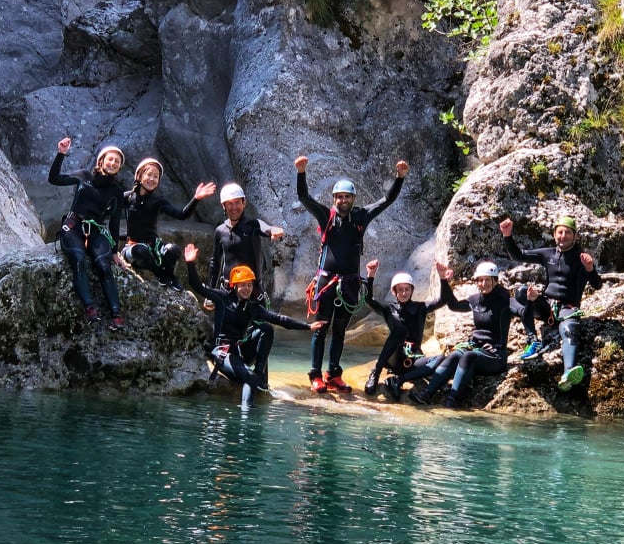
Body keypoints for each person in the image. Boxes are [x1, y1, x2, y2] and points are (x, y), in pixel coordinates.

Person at [295, 155, 407, 393]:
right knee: (320, 329)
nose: (343, 200)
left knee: (340, 331)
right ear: (334, 199)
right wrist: (301, 173)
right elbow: (304, 197)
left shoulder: (361, 217)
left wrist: (399, 177)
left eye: (346, 197)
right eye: (339, 197)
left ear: (353, 199)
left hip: (349, 284)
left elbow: (387, 200)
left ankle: (333, 374)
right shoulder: (326, 216)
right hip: (326, 281)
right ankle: (315, 374)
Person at [184, 243, 326, 407]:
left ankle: (259, 375)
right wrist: (190, 263)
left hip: (239, 350)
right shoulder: (222, 299)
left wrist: (308, 326)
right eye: (242, 285)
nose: (246, 288)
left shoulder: (253, 307)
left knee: (266, 328)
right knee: (249, 378)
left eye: (249, 285)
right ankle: (247, 423)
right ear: (234, 286)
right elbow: (197, 286)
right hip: (222, 352)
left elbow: (279, 319)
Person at [500, 215, 602, 391]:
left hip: (567, 309)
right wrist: (507, 235)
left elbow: (597, 285)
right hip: (546, 307)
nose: (563, 236)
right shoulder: (548, 254)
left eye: (568, 232)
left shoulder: (582, 258)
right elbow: (518, 255)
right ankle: (533, 341)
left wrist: (590, 269)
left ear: (574, 236)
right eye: (560, 232)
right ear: (554, 235)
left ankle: (568, 373)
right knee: (522, 292)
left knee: (569, 330)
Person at [49, 137, 127, 330]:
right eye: (110, 159)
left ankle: (116, 315)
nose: (113, 163)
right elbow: (54, 179)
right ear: (101, 161)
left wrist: (115, 251)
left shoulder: (116, 190)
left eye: (117, 162)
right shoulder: (84, 175)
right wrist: (61, 154)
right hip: (74, 226)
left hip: (96, 231)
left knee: (104, 265)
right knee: (78, 258)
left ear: (119, 168)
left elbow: (115, 222)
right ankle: (90, 309)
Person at [410, 261, 511, 408]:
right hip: (477, 348)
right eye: (480, 280)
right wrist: (444, 280)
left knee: (467, 356)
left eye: (488, 280)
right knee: (455, 355)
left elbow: (520, 308)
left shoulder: (504, 299)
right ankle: (427, 393)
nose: (484, 283)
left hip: (495, 355)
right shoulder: (476, 299)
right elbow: (453, 305)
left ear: (495, 281)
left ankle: (452, 400)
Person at [363, 259, 455, 400]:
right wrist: (370, 275)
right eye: (400, 290)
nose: (404, 293)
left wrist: (443, 278)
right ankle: (376, 371)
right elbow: (369, 300)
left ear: (412, 290)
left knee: (441, 358)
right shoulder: (389, 309)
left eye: (407, 289)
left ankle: (400, 379)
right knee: (400, 331)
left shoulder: (420, 308)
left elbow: (444, 299)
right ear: (394, 292)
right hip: (394, 358)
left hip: (412, 358)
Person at [122, 157, 215, 291]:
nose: (152, 179)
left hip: (152, 247)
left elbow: (182, 215)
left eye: (156, 176)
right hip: (133, 249)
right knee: (140, 250)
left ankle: (171, 276)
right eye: (149, 174)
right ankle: (162, 275)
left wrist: (196, 198)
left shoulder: (158, 201)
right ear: (140, 175)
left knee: (173, 250)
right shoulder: (128, 197)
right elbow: (107, 207)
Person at [205, 182, 284, 310]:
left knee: (259, 328)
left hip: (252, 291)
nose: (234, 207)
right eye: (229, 203)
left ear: (244, 203)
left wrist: (273, 230)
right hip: (228, 291)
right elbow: (215, 263)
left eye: (237, 202)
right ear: (223, 206)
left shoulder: (254, 225)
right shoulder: (220, 231)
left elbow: (266, 228)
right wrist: (210, 293)